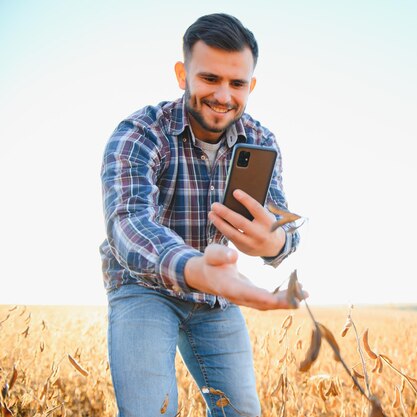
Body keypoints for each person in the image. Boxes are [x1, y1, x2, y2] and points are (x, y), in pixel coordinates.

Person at [100, 13, 301, 417]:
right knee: (149, 411)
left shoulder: (261, 140)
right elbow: (128, 222)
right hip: (142, 287)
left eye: (237, 83)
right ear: (182, 74)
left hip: (215, 295)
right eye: (210, 79)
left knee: (242, 412)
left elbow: (284, 222)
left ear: (251, 85)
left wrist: (275, 241)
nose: (224, 95)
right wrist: (195, 267)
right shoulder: (141, 132)